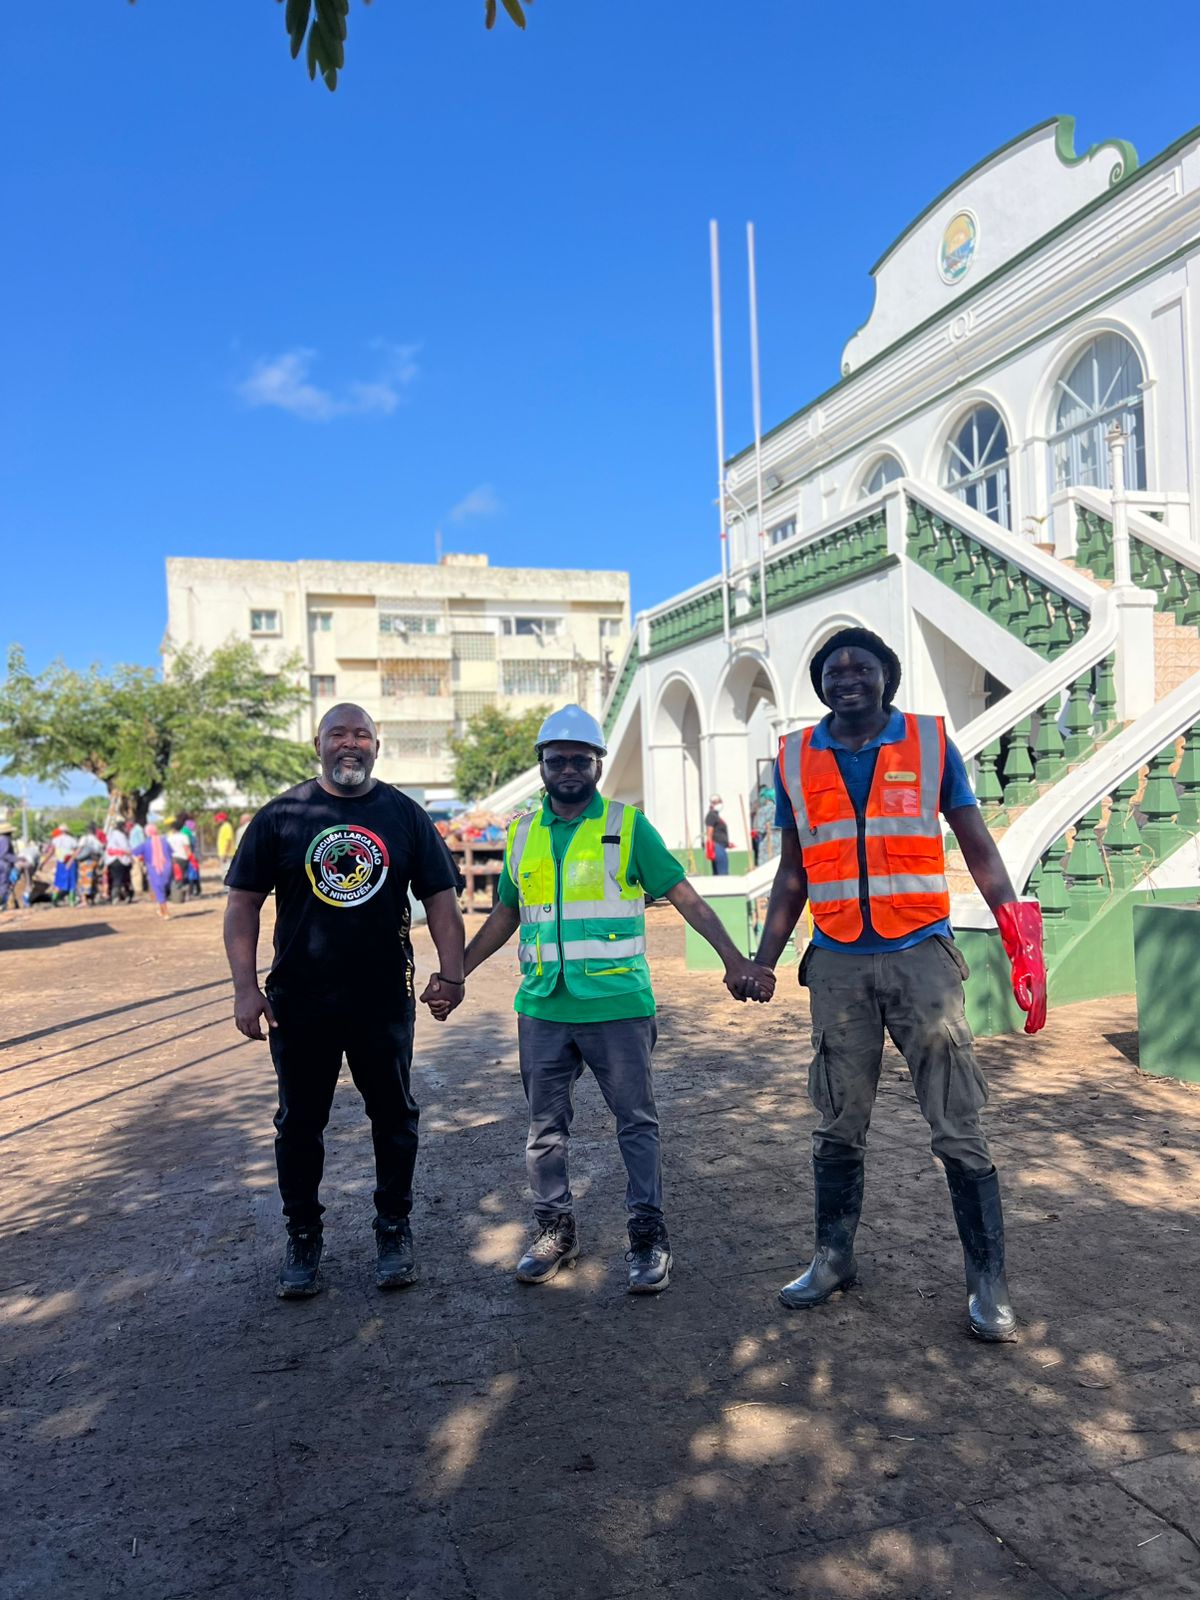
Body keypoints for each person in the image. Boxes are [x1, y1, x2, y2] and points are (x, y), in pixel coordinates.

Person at [749, 627, 1046, 1342]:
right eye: (833, 669)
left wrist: (1018, 932)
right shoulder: (793, 758)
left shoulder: (930, 743)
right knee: (837, 1119)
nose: (847, 677)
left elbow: (976, 843)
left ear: (887, 675)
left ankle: (988, 1282)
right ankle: (832, 1257)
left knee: (957, 1121)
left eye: (863, 666)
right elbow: (794, 872)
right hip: (838, 961)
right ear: (820, 684)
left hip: (921, 956)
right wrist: (764, 957)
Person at [436, 704, 774, 1295]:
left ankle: (647, 1237)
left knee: (636, 1125)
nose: (568, 768)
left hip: (617, 1006)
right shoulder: (521, 832)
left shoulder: (626, 826)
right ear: (542, 765)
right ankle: (554, 1231)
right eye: (556, 758)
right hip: (542, 1007)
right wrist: (457, 972)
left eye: (580, 759)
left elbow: (686, 897)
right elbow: (507, 915)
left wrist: (734, 959)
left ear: (597, 764)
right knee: (545, 1130)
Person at [223, 702, 466, 1302]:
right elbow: (242, 904)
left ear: (377, 746)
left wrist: (453, 972)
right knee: (300, 1123)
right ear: (319, 744)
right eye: (339, 734)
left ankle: (393, 1229)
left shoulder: (405, 815)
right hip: (299, 1002)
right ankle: (303, 1236)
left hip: (382, 998)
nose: (350, 744)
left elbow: (440, 899)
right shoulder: (283, 814)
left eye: (362, 734)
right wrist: (245, 986)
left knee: (394, 1117)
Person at [133, 823, 174, 919]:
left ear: (147, 833)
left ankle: (166, 912)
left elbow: (135, 852)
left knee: (158, 890)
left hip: (154, 869)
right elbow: (171, 852)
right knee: (161, 890)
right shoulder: (164, 841)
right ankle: (161, 910)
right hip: (167, 868)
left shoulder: (146, 843)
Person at [74, 823, 105, 905]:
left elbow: (79, 849)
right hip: (95, 862)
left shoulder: (85, 838)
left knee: (83, 881)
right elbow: (102, 851)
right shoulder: (96, 840)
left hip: (85, 862)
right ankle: (92, 899)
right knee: (93, 881)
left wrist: (72, 859)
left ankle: (84, 901)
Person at [106, 820, 134, 903]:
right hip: (120, 859)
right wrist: (131, 857)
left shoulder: (111, 835)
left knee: (114, 879)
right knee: (121, 879)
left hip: (110, 860)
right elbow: (125, 848)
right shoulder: (120, 835)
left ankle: (114, 896)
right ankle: (117, 897)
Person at [51, 827, 78, 906]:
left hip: (60, 862)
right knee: (72, 881)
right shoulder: (73, 840)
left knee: (58, 882)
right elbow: (75, 851)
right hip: (71, 862)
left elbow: (52, 851)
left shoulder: (55, 840)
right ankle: (71, 901)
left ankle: (54, 899)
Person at [705, 796, 730, 875]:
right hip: (717, 846)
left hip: (721, 845)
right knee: (722, 872)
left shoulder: (716, 815)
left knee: (721, 871)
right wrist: (709, 846)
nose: (720, 804)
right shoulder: (712, 815)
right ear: (713, 804)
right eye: (718, 802)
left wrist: (727, 842)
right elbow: (709, 831)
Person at [0, 823, 18, 911]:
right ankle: (2, 905)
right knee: (4, 885)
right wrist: (16, 859)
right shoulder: (5, 840)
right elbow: (5, 854)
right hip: (3, 865)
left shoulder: (1, 839)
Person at [215, 812, 236, 886]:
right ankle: (227, 886)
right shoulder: (224, 827)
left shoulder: (226, 827)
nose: (217, 821)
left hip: (227, 854)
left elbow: (227, 840)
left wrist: (224, 854)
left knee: (226, 870)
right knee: (225, 870)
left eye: (218, 819)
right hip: (224, 853)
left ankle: (228, 887)